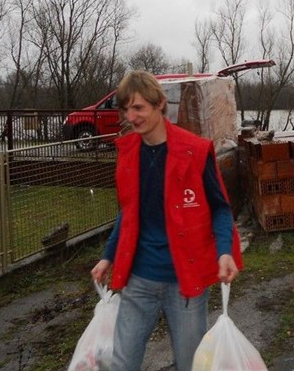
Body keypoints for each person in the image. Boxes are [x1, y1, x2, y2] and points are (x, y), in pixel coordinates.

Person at [90, 70, 244, 371]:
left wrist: (224, 251)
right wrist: (109, 256)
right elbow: (129, 211)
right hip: (139, 279)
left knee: (191, 364)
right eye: (126, 109)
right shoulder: (128, 153)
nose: (131, 117)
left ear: (160, 104)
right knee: (121, 363)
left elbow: (220, 209)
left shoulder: (195, 151)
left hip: (185, 281)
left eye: (138, 108)